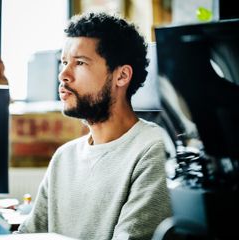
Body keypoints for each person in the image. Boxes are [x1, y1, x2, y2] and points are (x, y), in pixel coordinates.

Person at [17, 12, 172, 240]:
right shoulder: (64, 156)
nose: (63, 75)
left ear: (122, 76)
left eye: (79, 63)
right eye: (64, 63)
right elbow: (29, 236)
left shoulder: (153, 150)